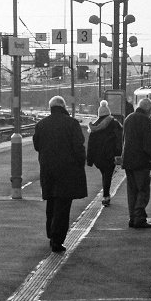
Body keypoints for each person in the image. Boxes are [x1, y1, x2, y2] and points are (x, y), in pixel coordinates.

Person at [32, 95, 88, 252]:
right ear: (64, 107)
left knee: (51, 202)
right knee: (63, 207)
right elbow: (79, 147)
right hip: (67, 171)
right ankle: (57, 240)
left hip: (48, 170)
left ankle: (51, 233)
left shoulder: (41, 125)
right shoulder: (72, 124)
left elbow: (37, 146)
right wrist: (80, 162)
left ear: (51, 108)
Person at [123, 97, 151, 228]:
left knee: (132, 191)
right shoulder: (147, 121)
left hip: (128, 161)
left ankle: (132, 218)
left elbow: (124, 140)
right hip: (141, 161)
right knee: (143, 190)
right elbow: (150, 144)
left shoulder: (128, 118)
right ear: (149, 110)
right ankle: (139, 218)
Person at [86, 100, 123, 206]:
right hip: (110, 155)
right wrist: (118, 154)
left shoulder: (95, 125)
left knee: (105, 174)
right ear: (108, 112)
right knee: (107, 175)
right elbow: (119, 140)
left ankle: (106, 195)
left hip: (98, 157)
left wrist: (90, 159)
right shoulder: (115, 124)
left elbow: (91, 144)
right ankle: (106, 196)